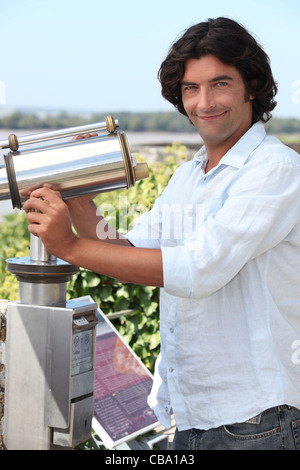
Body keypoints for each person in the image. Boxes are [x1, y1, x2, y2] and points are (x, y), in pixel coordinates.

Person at [23, 17, 300, 450]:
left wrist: (69, 246)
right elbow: (129, 250)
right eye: (191, 88)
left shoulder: (274, 170)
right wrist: (79, 200)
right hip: (193, 414)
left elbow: (195, 271)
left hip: (256, 422)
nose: (204, 102)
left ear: (252, 88)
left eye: (220, 84)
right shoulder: (189, 177)